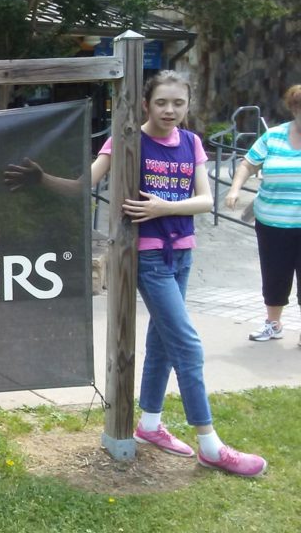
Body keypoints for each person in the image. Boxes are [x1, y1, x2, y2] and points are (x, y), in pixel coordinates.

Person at [89, 71, 266, 477]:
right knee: (188, 346)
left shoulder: (192, 142)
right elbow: (87, 181)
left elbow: (206, 201)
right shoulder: (128, 140)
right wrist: (41, 180)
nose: (170, 110)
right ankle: (211, 446)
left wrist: (162, 208)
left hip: (183, 254)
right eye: (162, 103)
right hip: (149, 260)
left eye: (179, 103)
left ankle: (150, 425)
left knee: (165, 344)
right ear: (147, 104)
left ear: (188, 105)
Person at [224, 85, 301, 345]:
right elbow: (248, 163)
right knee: (274, 273)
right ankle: (273, 324)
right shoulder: (274, 137)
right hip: (272, 221)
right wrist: (234, 189)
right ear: (293, 109)